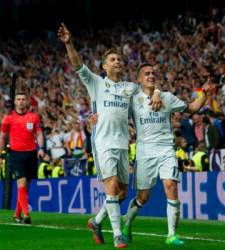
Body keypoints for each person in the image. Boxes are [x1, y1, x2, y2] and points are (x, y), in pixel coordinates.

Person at [58, 23, 161, 248]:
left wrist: (157, 94)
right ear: (104, 66)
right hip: (103, 143)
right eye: (113, 59)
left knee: (122, 193)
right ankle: (117, 235)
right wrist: (69, 43)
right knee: (112, 187)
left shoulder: (129, 88)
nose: (117, 62)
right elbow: (77, 64)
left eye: (119, 59)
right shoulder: (96, 82)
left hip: (123, 144)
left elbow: (147, 95)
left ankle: (96, 221)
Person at [122, 63, 207, 245]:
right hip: (144, 153)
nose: (151, 75)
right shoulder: (133, 100)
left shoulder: (167, 97)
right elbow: (117, 115)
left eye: (153, 73)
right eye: (146, 73)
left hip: (167, 149)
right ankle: (127, 222)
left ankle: (171, 235)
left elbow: (192, 108)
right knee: (143, 198)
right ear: (139, 79)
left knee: (171, 186)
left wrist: (204, 94)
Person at [0, 92, 45, 224]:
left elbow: (39, 134)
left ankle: (16, 214)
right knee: (22, 182)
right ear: (14, 102)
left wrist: (41, 148)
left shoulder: (33, 117)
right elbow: (2, 137)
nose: (20, 101)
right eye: (18, 99)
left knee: (26, 187)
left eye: (23, 99)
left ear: (27, 102)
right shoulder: (8, 118)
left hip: (31, 154)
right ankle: (26, 214)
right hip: (15, 154)